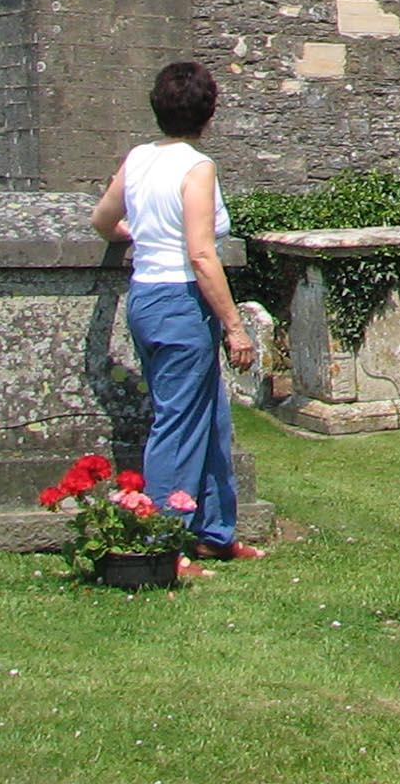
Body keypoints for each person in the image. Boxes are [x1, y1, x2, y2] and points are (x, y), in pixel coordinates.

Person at [92, 59, 262, 575]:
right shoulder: (196, 167)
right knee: (177, 425)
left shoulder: (139, 158)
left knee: (209, 415)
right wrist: (234, 327)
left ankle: (215, 532)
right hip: (181, 302)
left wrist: (135, 233)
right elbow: (202, 254)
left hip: (147, 297)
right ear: (208, 114)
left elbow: (103, 220)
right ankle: (162, 543)